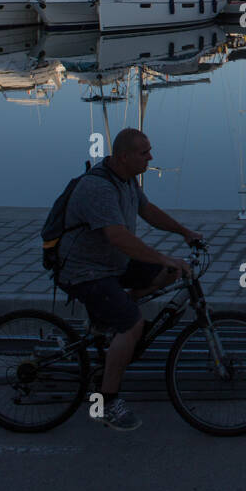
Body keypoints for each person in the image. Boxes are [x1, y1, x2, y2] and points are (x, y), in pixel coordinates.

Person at [56, 128, 202, 432]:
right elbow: (118, 236)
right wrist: (161, 256)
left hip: (112, 265)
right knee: (132, 323)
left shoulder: (126, 179)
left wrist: (184, 232)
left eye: (150, 150)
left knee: (174, 272)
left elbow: (147, 210)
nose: (151, 157)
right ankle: (107, 402)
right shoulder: (99, 188)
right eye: (144, 152)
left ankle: (108, 318)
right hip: (86, 271)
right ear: (123, 156)